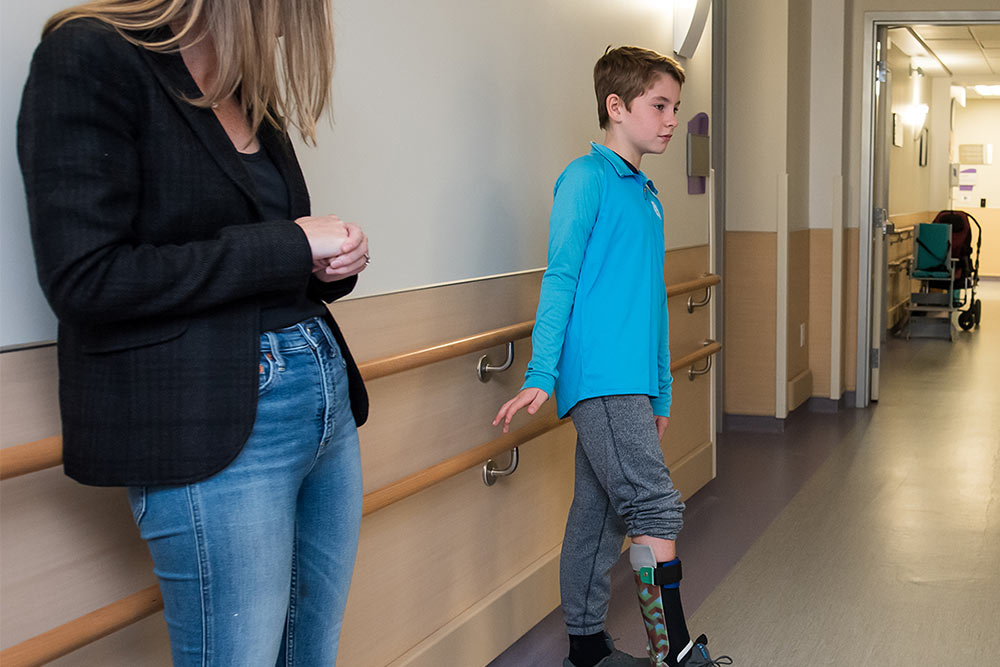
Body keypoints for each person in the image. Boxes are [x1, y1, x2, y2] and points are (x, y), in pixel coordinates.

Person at [18, 1, 369, 664]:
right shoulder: (87, 55)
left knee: (311, 654)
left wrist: (328, 263)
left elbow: (271, 256)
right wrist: (286, 245)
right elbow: (86, 278)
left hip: (320, 400)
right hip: (211, 421)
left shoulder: (247, 91)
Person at [493, 46, 732, 667]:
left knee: (598, 516)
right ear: (616, 106)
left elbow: (651, 299)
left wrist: (663, 390)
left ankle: (585, 646)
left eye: (676, 108)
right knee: (654, 503)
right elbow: (561, 278)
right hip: (599, 378)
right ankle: (675, 652)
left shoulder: (649, 195)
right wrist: (542, 373)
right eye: (659, 106)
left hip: (631, 380)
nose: (672, 120)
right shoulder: (585, 179)